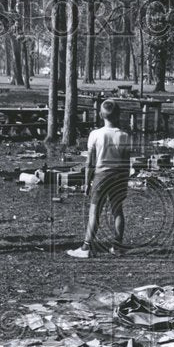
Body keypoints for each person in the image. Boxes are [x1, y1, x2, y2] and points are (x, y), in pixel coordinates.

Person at [67, 99, 132, 259]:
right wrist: (124, 181)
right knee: (118, 211)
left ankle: (86, 247)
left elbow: (89, 163)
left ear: (100, 115)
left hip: (101, 175)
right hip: (118, 175)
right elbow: (126, 162)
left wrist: (86, 182)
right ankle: (117, 246)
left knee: (94, 212)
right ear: (118, 115)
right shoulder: (124, 135)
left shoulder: (95, 134)